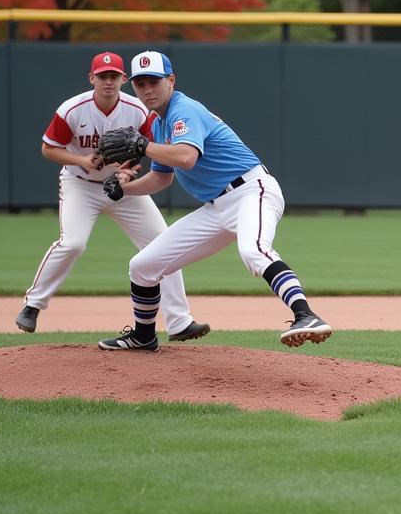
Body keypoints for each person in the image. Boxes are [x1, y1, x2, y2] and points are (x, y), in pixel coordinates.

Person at [94, 49, 331, 352]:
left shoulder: (183, 110)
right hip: (216, 207)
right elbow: (161, 177)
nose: (148, 89)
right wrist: (124, 190)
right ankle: (143, 336)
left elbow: (187, 157)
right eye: (140, 84)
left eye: (154, 81)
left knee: (253, 250)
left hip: (250, 191)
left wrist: (142, 145)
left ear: (171, 80)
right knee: (143, 265)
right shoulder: (157, 124)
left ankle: (306, 315)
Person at [16, 51, 209, 342]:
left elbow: (148, 151)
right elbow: (48, 148)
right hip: (80, 184)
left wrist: (127, 172)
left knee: (162, 244)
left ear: (122, 80)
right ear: (91, 78)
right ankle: (33, 304)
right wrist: (81, 161)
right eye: (102, 76)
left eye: (114, 76)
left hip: (122, 189)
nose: (108, 82)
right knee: (73, 243)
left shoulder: (137, 110)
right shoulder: (72, 109)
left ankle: (180, 322)